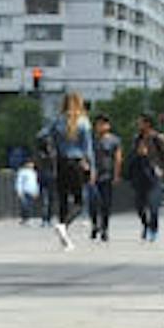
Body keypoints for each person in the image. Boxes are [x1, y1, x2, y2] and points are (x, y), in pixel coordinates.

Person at [42, 90, 95, 248]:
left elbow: (42, 135)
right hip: (77, 163)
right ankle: (63, 225)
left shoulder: (57, 121)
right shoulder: (83, 122)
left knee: (63, 199)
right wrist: (91, 167)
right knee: (79, 201)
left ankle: (65, 237)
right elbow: (88, 148)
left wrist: (50, 150)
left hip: (61, 162)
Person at [124, 114, 164, 243]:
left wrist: (162, 169)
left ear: (147, 124)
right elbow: (131, 156)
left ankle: (153, 230)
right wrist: (138, 154)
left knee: (153, 205)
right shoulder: (137, 139)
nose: (138, 124)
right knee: (139, 206)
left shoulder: (158, 138)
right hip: (139, 175)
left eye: (140, 122)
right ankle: (145, 225)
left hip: (154, 175)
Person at [87, 113, 121, 243]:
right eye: (98, 124)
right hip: (92, 176)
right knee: (93, 202)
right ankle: (95, 224)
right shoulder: (90, 140)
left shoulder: (114, 140)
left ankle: (105, 229)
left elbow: (118, 158)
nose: (100, 126)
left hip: (107, 175)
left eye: (103, 124)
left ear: (108, 125)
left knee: (106, 204)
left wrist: (116, 175)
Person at [13, 157, 41, 225]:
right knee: (25, 205)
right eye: (30, 163)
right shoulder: (22, 172)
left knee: (30, 205)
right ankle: (26, 218)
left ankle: (28, 218)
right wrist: (19, 191)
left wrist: (37, 191)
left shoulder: (34, 172)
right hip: (25, 191)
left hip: (32, 191)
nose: (31, 165)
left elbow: (36, 182)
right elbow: (19, 182)